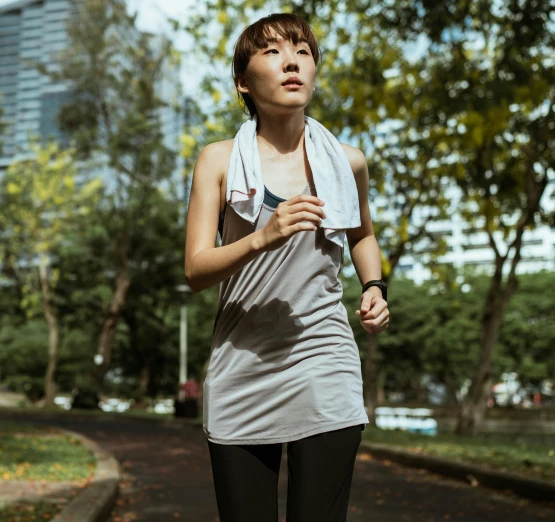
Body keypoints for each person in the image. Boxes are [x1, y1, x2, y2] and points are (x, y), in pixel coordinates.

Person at [183, 13, 390, 522]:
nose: (292, 60)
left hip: (324, 358)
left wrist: (375, 287)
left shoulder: (347, 162)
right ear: (243, 82)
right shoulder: (218, 160)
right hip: (242, 365)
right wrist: (264, 236)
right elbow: (196, 270)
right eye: (272, 52)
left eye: (302, 50)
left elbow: (362, 233)